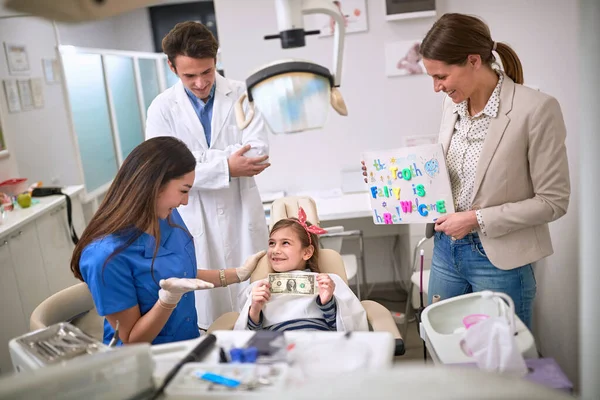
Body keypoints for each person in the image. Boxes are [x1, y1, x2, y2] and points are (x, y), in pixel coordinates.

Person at [418, 13, 570, 329]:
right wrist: (389, 178)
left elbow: (553, 202)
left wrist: (475, 219)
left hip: (499, 260)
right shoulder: (452, 105)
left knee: (500, 365)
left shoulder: (537, 110)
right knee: (444, 350)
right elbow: (450, 176)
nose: (436, 88)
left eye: (441, 76)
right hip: (446, 250)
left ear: (474, 60)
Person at [71, 137, 265, 345]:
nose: (185, 201)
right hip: (144, 360)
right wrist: (167, 301)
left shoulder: (166, 218)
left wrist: (238, 274)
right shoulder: (105, 257)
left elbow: (179, 275)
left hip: (187, 343)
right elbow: (130, 340)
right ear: (154, 185)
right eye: (183, 190)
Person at [145, 21, 272, 330]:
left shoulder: (244, 94)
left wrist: (194, 162)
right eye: (190, 75)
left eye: (207, 72)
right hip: (192, 217)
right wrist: (227, 165)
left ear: (216, 61)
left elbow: (256, 153)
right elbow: (164, 169)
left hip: (242, 214)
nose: (201, 83)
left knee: (257, 306)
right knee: (208, 315)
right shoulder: (162, 108)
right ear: (172, 67)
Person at [234, 208, 368, 332]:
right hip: (279, 348)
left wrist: (327, 301)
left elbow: (344, 328)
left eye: (285, 243)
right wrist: (255, 309)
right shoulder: (260, 289)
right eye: (272, 243)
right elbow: (252, 336)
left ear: (307, 252)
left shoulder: (329, 283)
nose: (275, 250)